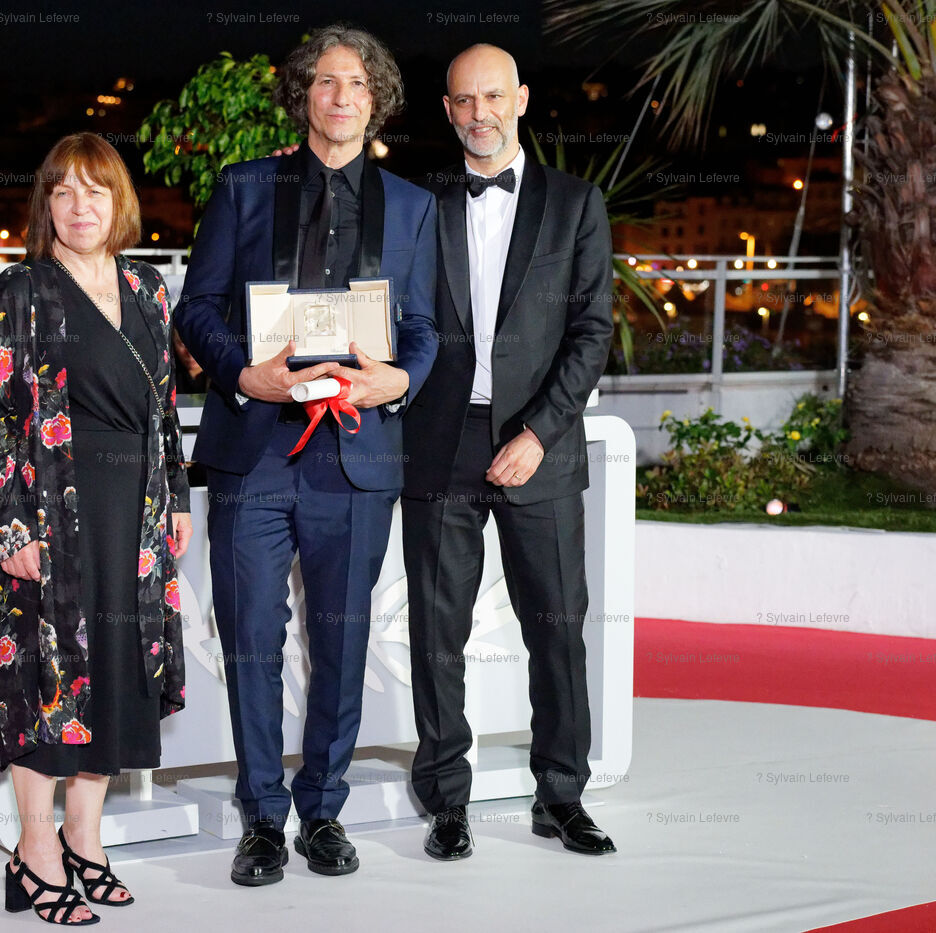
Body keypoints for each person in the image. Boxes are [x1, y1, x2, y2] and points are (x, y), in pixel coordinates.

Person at [174, 25, 438, 886]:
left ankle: (322, 811)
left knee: (342, 642)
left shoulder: (412, 205)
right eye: (325, 81)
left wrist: (398, 378)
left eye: (357, 83)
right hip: (255, 450)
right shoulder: (244, 187)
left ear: (377, 99)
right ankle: (261, 817)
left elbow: (424, 327)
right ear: (303, 95)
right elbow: (197, 306)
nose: (341, 96)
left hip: (357, 458)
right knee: (250, 640)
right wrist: (241, 372)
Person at [0, 132, 191, 925]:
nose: (79, 206)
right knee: (44, 679)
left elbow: (165, 405)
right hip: (48, 513)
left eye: (94, 190)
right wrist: (5, 528)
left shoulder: (148, 287)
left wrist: (178, 496)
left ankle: (83, 839)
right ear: (46, 206)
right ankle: (34, 849)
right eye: (62, 192)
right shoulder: (18, 291)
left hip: (135, 510)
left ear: (118, 200)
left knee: (116, 675)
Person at [403, 44, 616, 860]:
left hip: (541, 442)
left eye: (493, 97)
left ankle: (561, 795)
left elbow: (592, 332)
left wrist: (539, 432)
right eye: (464, 101)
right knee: (437, 634)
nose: (479, 114)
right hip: (440, 440)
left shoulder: (576, 204)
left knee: (557, 629)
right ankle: (446, 801)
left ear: (521, 99)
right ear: (447, 109)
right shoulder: (419, 203)